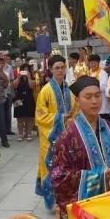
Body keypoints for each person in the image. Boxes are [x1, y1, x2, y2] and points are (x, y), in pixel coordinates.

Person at [50, 76, 110, 217]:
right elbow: (58, 177)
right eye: (88, 97)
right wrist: (100, 176)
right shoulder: (67, 138)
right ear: (77, 101)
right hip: (89, 208)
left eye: (98, 96)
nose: (94, 101)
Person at [35, 54, 73, 211]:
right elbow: (40, 115)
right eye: (57, 68)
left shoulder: (69, 89)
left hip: (68, 136)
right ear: (50, 70)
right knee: (51, 167)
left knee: (68, 167)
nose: (60, 70)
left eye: (63, 67)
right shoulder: (45, 90)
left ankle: (66, 198)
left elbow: (75, 110)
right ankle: (53, 203)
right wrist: (60, 118)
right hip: (50, 137)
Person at [12, 63, 36, 142]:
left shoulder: (32, 77)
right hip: (18, 99)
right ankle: (20, 134)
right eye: (24, 69)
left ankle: (29, 133)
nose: (25, 71)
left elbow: (32, 86)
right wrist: (19, 77)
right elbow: (14, 86)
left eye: (27, 69)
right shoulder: (18, 78)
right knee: (20, 118)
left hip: (29, 99)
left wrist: (29, 77)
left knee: (29, 117)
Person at [87, 54, 110, 122]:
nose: (93, 64)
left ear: (98, 63)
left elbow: (104, 87)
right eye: (91, 63)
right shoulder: (88, 73)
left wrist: (93, 84)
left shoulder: (103, 73)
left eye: (95, 62)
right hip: (91, 104)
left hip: (102, 105)